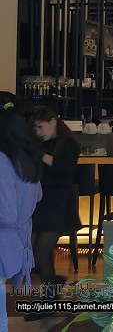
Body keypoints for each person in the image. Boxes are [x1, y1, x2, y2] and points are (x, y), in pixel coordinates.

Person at [28, 106, 80, 321]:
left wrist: (40, 155)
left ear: (53, 121)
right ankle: (52, 287)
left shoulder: (68, 144)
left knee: (41, 253)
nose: (38, 132)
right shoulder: (40, 144)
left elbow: (64, 168)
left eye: (40, 127)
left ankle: (49, 300)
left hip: (59, 203)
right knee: (33, 252)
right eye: (35, 129)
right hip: (40, 203)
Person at [0, 93, 42, 332]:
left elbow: (7, 215)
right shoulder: (26, 155)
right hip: (16, 245)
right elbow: (38, 195)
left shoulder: (1, 159)